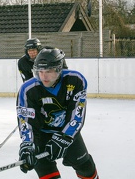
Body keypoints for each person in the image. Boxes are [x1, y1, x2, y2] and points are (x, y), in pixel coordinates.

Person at [16, 47, 99, 179]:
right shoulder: (28, 89)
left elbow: (77, 116)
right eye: (40, 72)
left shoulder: (75, 80)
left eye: (48, 71)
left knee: (86, 167)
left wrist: (64, 138)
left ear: (59, 69)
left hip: (67, 131)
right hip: (41, 136)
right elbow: (26, 120)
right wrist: (27, 145)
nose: (43, 76)